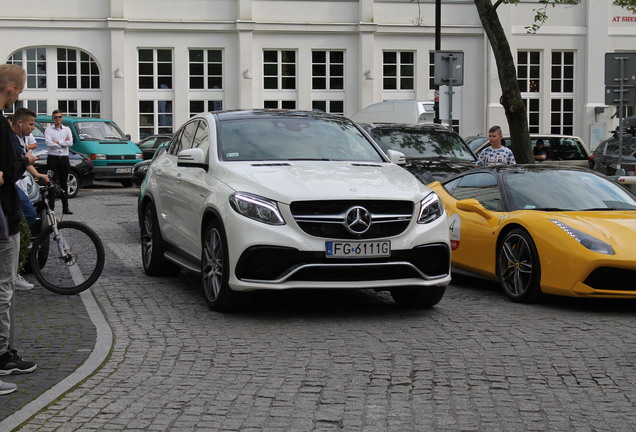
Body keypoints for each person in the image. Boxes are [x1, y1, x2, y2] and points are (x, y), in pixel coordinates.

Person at [0, 64, 38, 395]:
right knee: (3, 289)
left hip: (7, 213)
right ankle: (1, 356)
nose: (20, 95)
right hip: (3, 216)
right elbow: (9, 170)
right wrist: (15, 167)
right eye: (21, 89)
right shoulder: (1, 125)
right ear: (11, 89)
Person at [10, 108, 49, 291]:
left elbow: (25, 162)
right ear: (20, 123)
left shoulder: (21, 139)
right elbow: (22, 161)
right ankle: (12, 269)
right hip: (10, 185)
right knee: (26, 215)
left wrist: (38, 175)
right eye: (31, 124)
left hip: (16, 184)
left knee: (26, 217)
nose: (33, 128)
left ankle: (12, 266)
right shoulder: (11, 139)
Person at [44, 110, 73, 215]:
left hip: (64, 158)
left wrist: (57, 142)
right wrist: (62, 143)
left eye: (60, 117)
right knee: (52, 182)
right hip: (53, 158)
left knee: (64, 183)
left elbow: (70, 143)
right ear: (53, 118)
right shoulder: (48, 130)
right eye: (56, 117)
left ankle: (66, 207)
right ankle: (51, 208)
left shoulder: (67, 129)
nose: (58, 119)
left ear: (62, 118)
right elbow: (48, 143)